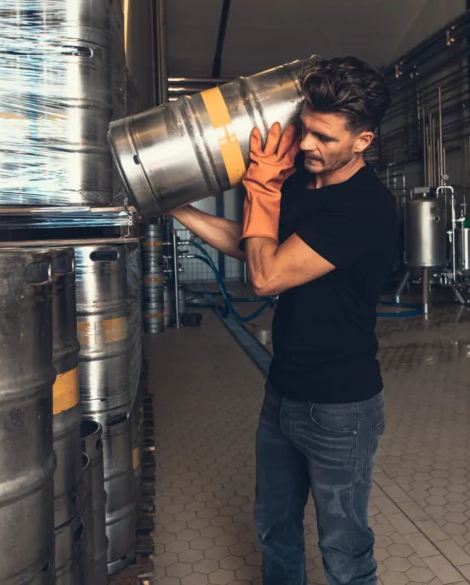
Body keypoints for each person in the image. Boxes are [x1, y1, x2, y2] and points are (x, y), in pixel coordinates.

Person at [169, 56, 397, 585]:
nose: (308, 145)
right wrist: (179, 209)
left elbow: (266, 276)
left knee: (344, 548)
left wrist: (261, 191)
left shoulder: (365, 207)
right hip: (283, 390)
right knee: (274, 527)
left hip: (341, 406)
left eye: (324, 136)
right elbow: (256, 245)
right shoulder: (299, 181)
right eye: (305, 129)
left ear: (362, 140)